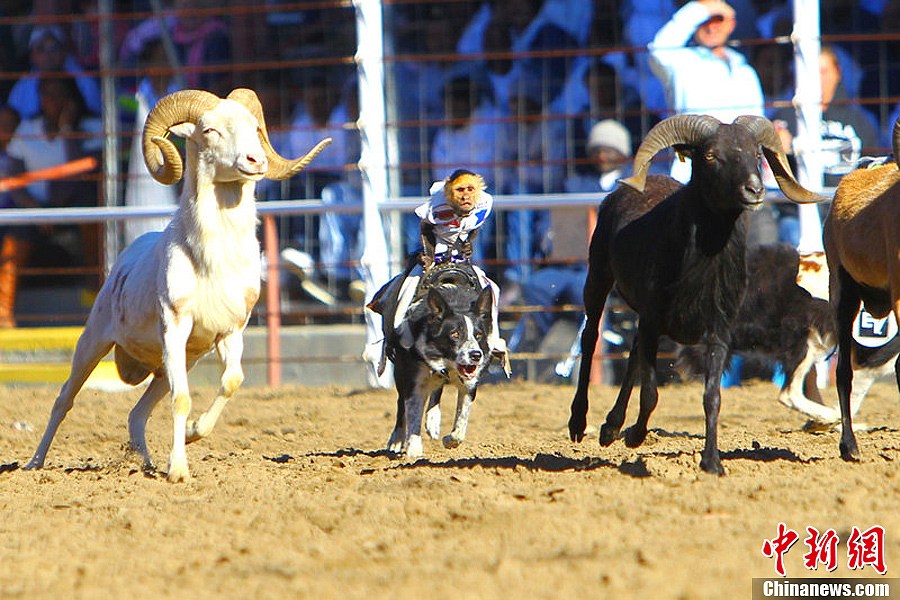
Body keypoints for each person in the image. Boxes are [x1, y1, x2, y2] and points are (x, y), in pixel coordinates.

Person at [367, 170, 509, 374]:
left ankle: (492, 340)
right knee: (404, 287)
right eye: (460, 190)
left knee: (492, 289)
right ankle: (394, 335)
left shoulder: (484, 202)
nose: (466, 195)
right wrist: (429, 254)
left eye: (470, 189)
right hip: (433, 258)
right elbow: (425, 226)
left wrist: (467, 243)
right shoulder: (437, 205)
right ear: (449, 191)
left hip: (461, 259)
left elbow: (473, 226)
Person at [770, 45, 879, 245]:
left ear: (838, 73)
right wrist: (779, 151)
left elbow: (872, 172)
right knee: (795, 235)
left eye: (824, 71)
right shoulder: (784, 118)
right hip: (798, 213)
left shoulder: (860, 121)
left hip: (847, 212)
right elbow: (771, 178)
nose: (818, 79)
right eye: (811, 72)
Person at [648, 0, 764, 182]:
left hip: (737, 176)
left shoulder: (745, 71)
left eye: (717, 19)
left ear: (731, 24)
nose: (711, 27)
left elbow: (755, 124)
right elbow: (657, 51)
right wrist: (699, 8)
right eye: (704, 20)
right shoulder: (680, 62)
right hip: (690, 176)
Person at [6, 76, 102, 280]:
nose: (53, 100)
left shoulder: (92, 127)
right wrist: (34, 208)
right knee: (15, 229)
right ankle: (4, 307)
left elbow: (82, 171)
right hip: (35, 209)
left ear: (71, 97)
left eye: (59, 94)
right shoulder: (27, 129)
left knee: (92, 211)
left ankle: (94, 287)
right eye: (47, 94)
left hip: (75, 206)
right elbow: (14, 178)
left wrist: (67, 129)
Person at [6, 25, 102, 120]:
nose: (48, 55)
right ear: (32, 55)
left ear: (64, 51)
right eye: (41, 49)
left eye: (54, 48)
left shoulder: (84, 81)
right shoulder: (22, 87)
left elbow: (94, 117)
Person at [0, 104, 23, 327]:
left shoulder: (18, 154)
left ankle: (3, 312)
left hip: (14, 217)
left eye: (8, 124)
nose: (3, 128)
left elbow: (21, 190)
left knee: (12, 244)